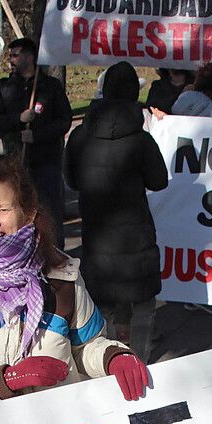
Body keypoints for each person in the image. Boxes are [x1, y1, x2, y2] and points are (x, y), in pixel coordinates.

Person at [0, 155, 151, 415]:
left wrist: (113, 357)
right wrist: (5, 381)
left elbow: (86, 347)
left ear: (28, 213)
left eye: (2, 209)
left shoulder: (61, 275)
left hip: (62, 423)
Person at [64, 62, 170, 357]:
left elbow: (71, 180)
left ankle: (110, 361)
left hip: (97, 234)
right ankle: (141, 360)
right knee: (143, 304)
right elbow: (159, 181)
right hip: (136, 237)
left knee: (103, 306)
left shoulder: (79, 136)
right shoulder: (141, 140)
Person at [0, 37, 73, 245]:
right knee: (19, 216)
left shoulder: (50, 87)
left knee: (49, 214)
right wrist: (18, 119)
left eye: (15, 55)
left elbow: (64, 121)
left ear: (30, 57)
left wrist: (37, 135)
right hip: (16, 165)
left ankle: (55, 255)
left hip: (46, 163)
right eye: (10, 55)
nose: (11, 60)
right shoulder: (4, 87)